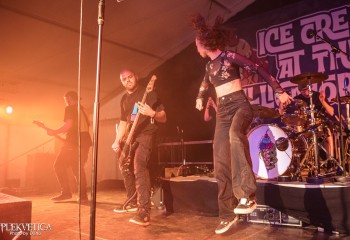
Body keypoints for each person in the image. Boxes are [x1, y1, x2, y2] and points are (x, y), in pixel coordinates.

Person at [191, 14, 292, 234]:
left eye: (196, 44)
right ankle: (226, 214)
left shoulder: (230, 56)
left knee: (235, 136)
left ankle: (247, 195)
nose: (195, 48)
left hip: (240, 106)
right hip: (223, 113)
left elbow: (257, 68)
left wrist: (279, 91)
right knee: (220, 162)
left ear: (203, 43)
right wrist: (200, 97)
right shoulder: (209, 67)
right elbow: (204, 82)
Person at [112, 69, 167, 226]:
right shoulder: (124, 99)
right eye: (124, 79)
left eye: (130, 77)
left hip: (147, 134)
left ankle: (143, 212)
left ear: (135, 77)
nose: (127, 80)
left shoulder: (148, 93)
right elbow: (124, 122)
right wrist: (117, 140)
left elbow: (164, 117)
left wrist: (152, 113)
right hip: (132, 136)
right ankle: (132, 201)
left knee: (139, 165)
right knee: (124, 165)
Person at [45, 91, 91, 203]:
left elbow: (69, 125)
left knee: (58, 166)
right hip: (85, 141)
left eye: (66, 100)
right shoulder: (84, 109)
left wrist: (55, 131)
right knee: (78, 168)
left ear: (70, 98)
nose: (66, 102)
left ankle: (66, 193)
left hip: (74, 142)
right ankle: (83, 196)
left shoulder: (70, 108)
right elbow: (81, 126)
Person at [294, 83, 335, 157]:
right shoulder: (297, 99)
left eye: (305, 90)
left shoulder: (318, 96)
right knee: (297, 133)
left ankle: (330, 161)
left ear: (310, 88)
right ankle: (303, 160)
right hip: (305, 126)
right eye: (301, 90)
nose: (303, 92)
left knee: (328, 133)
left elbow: (331, 112)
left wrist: (323, 101)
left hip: (319, 124)